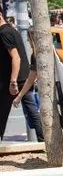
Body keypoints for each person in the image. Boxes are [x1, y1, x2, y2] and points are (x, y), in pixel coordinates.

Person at [0, 11, 43, 142]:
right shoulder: (11, 30)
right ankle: (43, 140)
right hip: (22, 77)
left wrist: (13, 82)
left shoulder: (4, 33)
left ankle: (44, 140)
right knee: (31, 109)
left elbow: (16, 58)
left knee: (2, 111)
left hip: (14, 79)